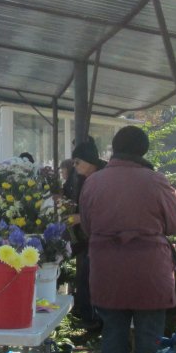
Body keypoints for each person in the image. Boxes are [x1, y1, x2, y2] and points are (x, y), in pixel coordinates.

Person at [79, 126, 176, 353]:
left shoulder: (94, 182)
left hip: (107, 271)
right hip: (150, 272)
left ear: (114, 148)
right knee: (149, 337)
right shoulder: (157, 181)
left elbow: (87, 226)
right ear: (143, 150)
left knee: (113, 336)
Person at [67, 138, 106, 325]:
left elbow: (104, 210)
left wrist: (80, 218)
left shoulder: (103, 178)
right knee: (85, 277)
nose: (74, 166)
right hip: (89, 237)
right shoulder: (82, 178)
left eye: (77, 162)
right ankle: (88, 317)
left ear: (89, 160)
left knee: (90, 278)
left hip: (102, 238)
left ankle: (93, 318)